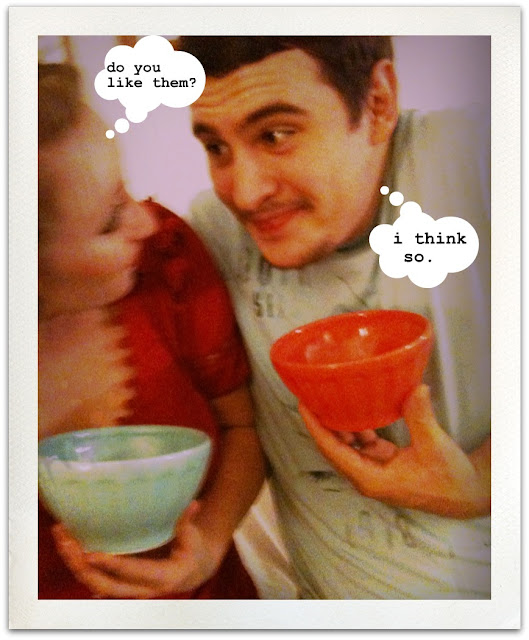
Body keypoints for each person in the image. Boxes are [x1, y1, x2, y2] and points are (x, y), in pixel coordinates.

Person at [177, 36, 491, 599]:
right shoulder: (213, 234)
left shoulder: (481, 157)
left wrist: (482, 484)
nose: (244, 194)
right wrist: (206, 543)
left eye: (276, 135)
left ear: (378, 103)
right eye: (216, 147)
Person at [38, 62, 265, 599]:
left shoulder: (168, 261)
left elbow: (244, 427)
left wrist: (206, 548)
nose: (146, 221)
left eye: (128, 192)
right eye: (111, 218)